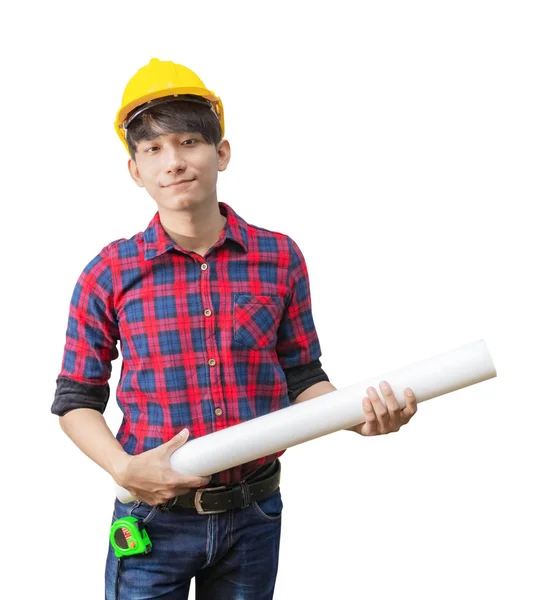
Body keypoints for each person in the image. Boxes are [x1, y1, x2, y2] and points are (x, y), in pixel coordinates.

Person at [51, 58, 418, 600]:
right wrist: (124, 468)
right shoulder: (108, 273)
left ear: (221, 152)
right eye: (153, 150)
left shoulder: (278, 257)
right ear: (135, 169)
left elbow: (302, 374)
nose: (173, 162)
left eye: (188, 142)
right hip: (153, 521)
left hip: (254, 515)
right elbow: (75, 399)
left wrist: (354, 418)